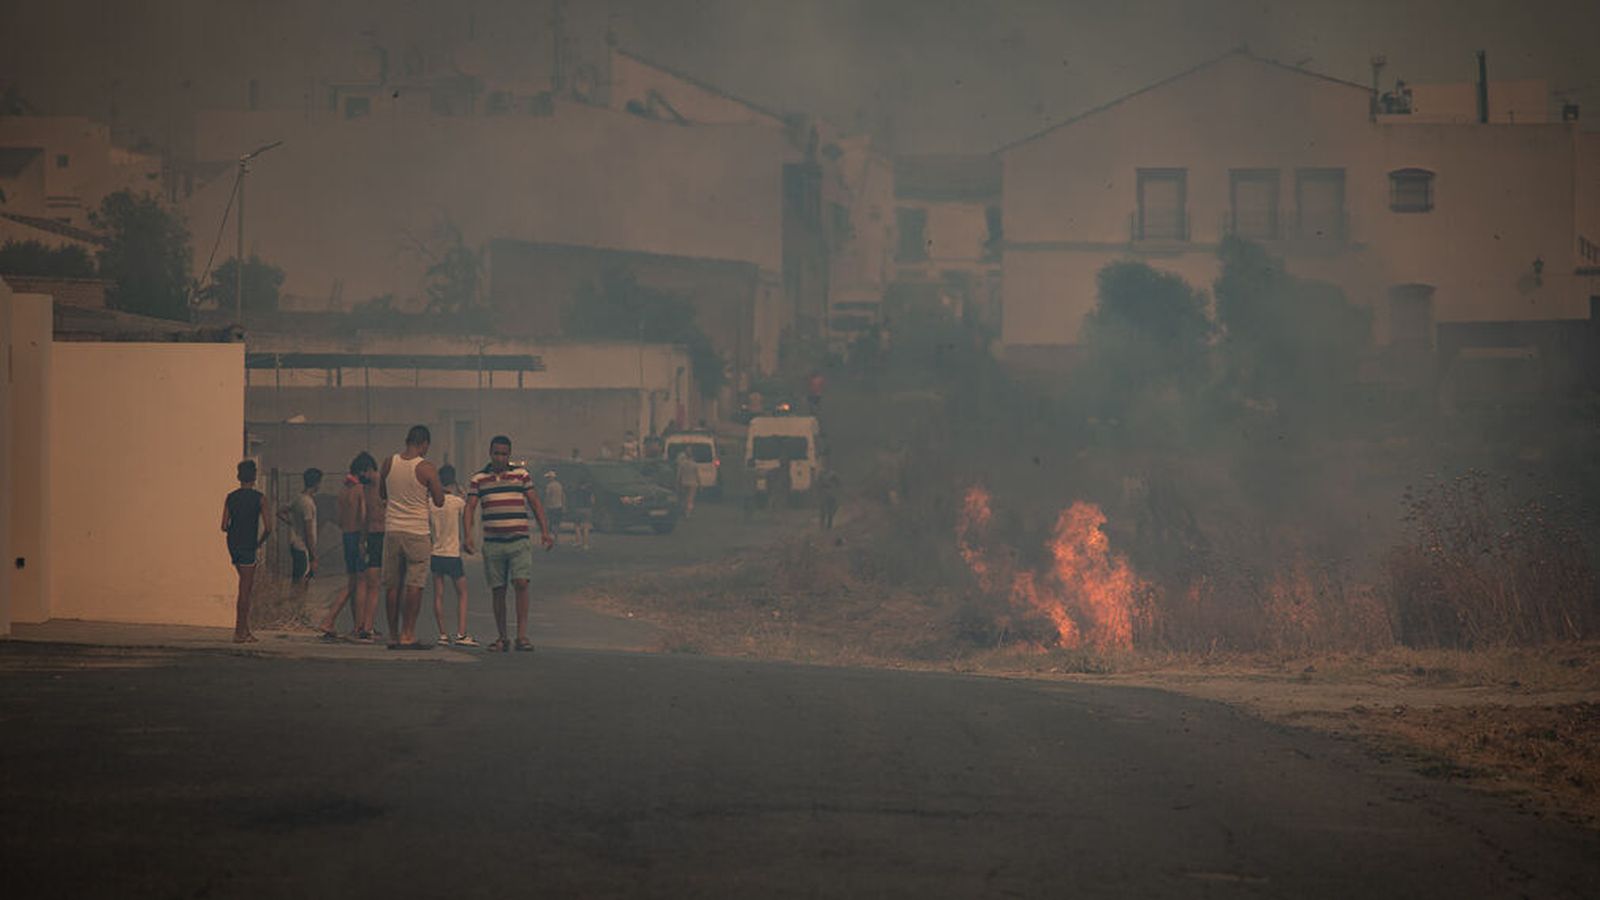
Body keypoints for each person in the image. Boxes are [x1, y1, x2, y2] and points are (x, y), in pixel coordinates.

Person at [465, 435, 554, 652]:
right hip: (493, 543)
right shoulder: (479, 478)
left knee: (521, 583)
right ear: (490, 453)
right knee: (498, 590)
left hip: (519, 540)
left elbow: (535, 503)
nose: (499, 458)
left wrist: (545, 531)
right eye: (496, 453)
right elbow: (470, 507)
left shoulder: (521, 476)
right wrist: (467, 535)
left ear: (509, 455)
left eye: (504, 454)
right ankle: (502, 637)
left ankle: (522, 636)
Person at [379, 425, 447, 649]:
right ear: (424, 443)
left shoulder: (388, 463)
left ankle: (392, 635)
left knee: (392, 585)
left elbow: (382, 493)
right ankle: (408, 634)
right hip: (417, 532)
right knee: (414, 584)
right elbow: (439, 500)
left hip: (392, 530)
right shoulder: (426, 468)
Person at [318, 453, 374, 640]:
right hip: (358, 536)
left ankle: (352, 624)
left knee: (353, 581)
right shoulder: (360, 490)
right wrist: (363, 540)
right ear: (363, 471)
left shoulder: (343, 491)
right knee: (361, 583)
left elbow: (339, 519)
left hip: (346, 535)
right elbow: (364, 516)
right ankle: (344, 622)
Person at [221, 459, 270, 643]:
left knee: (244, 585)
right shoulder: (260, 498)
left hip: (233, 545)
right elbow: (269, 527)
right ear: (255, 477)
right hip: (249, 545)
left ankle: (245, 630)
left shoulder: (230, 497)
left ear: (238, 476)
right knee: (245, 590)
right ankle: (239, 632)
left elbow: (224, 525)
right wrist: (259, 543)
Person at [429, 465, 476, 647]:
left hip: (436, 553)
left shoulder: (431, 503)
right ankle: (461, 633)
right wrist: (461, 490)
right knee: (462, 593)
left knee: (438, 594)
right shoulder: (457, 502)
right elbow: (469, 516)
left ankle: (442, 634)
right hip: (452, 554)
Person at [278, 467, 322, 595]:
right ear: (316, 483)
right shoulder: (308, 503)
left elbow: (280, 511)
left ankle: (295, 609)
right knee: (303, 579)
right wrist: (314, 555)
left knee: (296, 579)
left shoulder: (297, 498)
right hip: (303, 547)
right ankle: (299, 608)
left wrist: (292, 522)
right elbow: (309, 532)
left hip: (294, 543)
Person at [358, 450, 387, 641]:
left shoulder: (378, 480)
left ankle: (366, 626)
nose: (361, 477)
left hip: (381, 534)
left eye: (362, 472)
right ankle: (366, 626)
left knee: (373, 583)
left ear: (369, 469)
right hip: (373, 536)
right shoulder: (366, 486)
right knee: (372, 583)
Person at [542, 470, 566, 547]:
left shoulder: (549, 486)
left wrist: (545, 506)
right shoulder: (559, 485)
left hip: (551, 507)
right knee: (557, 523)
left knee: (550, 523)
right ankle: (556, 538)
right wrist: (564, 505)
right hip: (559, 506)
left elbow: (547, 496)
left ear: (551, 478)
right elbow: (563, 496)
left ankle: (551, 538)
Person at [816, 459, 841, 530]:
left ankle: (829, 525)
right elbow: (818, 484)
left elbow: (838, 483)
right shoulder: (820, 474)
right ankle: (822, 526)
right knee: (822, 510)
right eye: (824, 464)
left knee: (831, 510)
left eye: (827, 464)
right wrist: (819, 491)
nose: (825, 466)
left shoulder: (832, 474)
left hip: (831, 493)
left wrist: (836, 489)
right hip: (823, 494)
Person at [570, 478, 594, 551]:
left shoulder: (575, 492)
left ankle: (578, 541)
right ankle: (585, 545)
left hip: (578, 509)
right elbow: (593, 501)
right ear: (585, 485)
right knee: (586, 527)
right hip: (587, 510)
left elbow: (573, 501)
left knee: (577, 526)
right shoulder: (589, 492)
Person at [675, 448, 699, 519]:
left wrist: (677, 483)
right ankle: (687, 513)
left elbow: (678, 474)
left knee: (683, 498)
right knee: (690, 499)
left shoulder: (682, 464)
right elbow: (697, 475)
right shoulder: (694, 464)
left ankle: (683, 511)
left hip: (684, 483)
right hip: (693, 483)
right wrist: (700, 483)